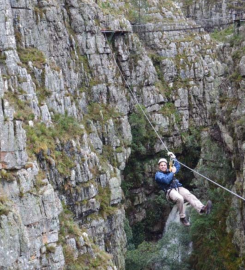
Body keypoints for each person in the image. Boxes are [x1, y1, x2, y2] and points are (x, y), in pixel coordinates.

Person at [155, 152, 212, 227]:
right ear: (159, 167)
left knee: (188, 195)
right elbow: (166, 180)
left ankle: (202, 208)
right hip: (169, 191)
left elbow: (178, 166)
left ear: (166, 165)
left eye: (164, 165)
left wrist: (174, 158)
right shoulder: (158, 175)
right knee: (180, 198)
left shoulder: (170, 170)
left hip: (178, 187)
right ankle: (182, 217)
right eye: (161, 165)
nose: (163, 166)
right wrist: (172, 172)